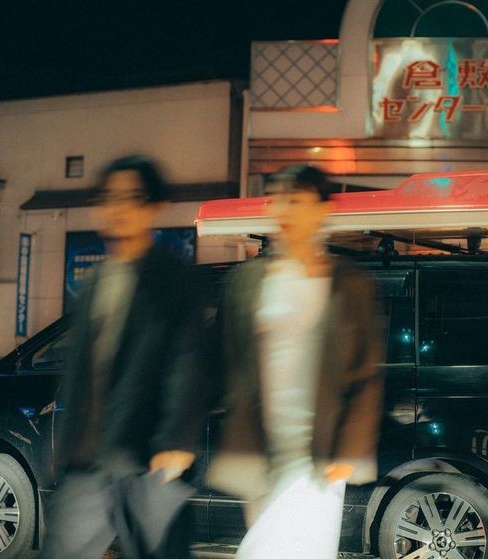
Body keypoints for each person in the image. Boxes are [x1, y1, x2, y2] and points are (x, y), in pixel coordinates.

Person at [207, 164, 383, 559]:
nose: (287, 211)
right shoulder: (247, 281)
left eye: (298, 201)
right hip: (259, 449)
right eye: (280, 200)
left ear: (322, 210)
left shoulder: (350, 284)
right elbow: (228, 362)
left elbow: (366, 374)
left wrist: (349, 452)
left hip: (319, 455)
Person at [40, 155, 209, 559]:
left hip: (149, 456)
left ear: (154, 207)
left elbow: (188, 363)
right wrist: (66, 450)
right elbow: (83, 371)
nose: (117, 208)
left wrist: (177, 439)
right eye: (109, 197)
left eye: (130, 198)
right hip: (90, 459)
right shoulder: (98, 280)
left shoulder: (175, 280)